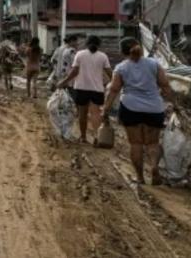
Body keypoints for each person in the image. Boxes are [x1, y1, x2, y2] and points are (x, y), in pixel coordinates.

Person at [102, 37, 174, 185]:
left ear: (122, 52)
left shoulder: (121, 68)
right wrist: (175, 104)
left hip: (130, 108)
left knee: (136, 143)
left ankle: (140, 177)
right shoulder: (154, 64)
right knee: (153, 143)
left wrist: (106, 109)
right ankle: (154, 167)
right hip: (154, 108)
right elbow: (165, 85)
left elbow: (114, 90)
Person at [57, 35, 111, 143]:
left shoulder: (80, 54)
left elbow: (74, 71)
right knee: (95, 114)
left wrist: (64, 81)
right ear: (99, 45)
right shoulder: (103, 56)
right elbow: (110, 72)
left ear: (86, 43)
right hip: (97, 89)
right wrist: (113, 83)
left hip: (81, 88)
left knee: (83, 114)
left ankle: (83, 137)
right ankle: (97, 137)